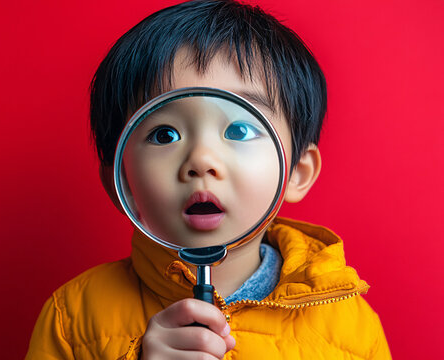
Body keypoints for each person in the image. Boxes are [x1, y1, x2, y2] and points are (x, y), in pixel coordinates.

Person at [25, 1, 391, 359]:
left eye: (240, 129)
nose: (201, 161)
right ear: (120, 183)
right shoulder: (71, 317)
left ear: (297, 171)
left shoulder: (351, 329)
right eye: (164, 134)